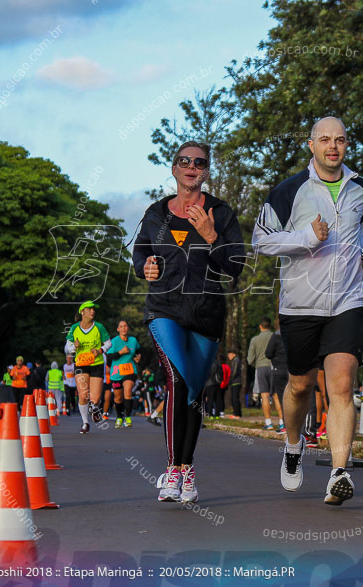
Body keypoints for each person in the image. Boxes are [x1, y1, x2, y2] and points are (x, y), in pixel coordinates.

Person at [252, 116, 363, 505]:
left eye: (340, 140)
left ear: (346, 146)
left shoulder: (362, 191)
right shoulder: (289, 191)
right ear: (311, 145)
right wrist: (308, 236)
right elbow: (261, 241)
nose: (333, 146)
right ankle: (294, 445)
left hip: (348, 300)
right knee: (300, 385)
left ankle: (340, 472)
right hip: (300, 304)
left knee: (342, 385)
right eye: (324, 139)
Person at [133, 140, 245, 503]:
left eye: (199, 162)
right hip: (164, 309)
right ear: (174, 167)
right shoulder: (155, 213)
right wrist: (144, 267)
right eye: (185, 161)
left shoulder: (221, 212)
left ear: (206, 170)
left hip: (206, 314)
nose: (192, 167)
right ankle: (171, 469)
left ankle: (186, 468)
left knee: (193, 396)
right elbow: (140, 253)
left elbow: (236, 267)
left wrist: (212, 237)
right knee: (177, 381)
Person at [65, 300, 112, 434]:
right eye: (89, 309)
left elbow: (108, 343)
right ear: (82, 312)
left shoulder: (99, 327)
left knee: (95, 398)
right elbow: (68, 348)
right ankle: (85, 422)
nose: (92, 311)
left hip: (96, 364)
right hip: (80, 364)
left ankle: (95, 408)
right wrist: (74, 346)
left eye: (93, 309)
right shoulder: (74, 328)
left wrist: (100, 350)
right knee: (83, 395)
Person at [248, 318, 282, 431]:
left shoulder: (255, 339)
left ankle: (269, 423)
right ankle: (282, 422)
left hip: (261, 368)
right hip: (274, 366)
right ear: (270, 326)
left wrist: (254, 363)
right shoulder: (275, 336)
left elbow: (250, 359)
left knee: (264, 396)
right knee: (277, 395)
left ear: (260, 326)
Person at [107, 319, 140, 429]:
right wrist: (121, 352)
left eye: (125, 326)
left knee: (128, 391)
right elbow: (109, 357)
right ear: (118, 329)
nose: (124, 328)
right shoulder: (114, 341)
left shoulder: (133, 341)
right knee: (118, 397)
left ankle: (128, 417)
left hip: (130, 371)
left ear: (128, 328)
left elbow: (139, 351)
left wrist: (138, 357)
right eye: (121, 326)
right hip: (116, 373)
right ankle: (119, 416)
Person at [265, 320, 289, 432]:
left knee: (282, 397)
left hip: (278, 369)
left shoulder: (275, 336)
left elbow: (268, 353)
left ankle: (285, 424)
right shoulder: (293, 333)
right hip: (292, 369)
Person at [226, 349, 242, 419]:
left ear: (234, 354)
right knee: (235, 398)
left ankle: (236, 414)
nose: (228, 356)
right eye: (228, 354)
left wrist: (230, 380)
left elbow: (234, 372)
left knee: (235, 398)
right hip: (235, 382)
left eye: (230, 354)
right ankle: (238, 413)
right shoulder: (234, 361)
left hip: (236, 382)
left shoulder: (236, 360)